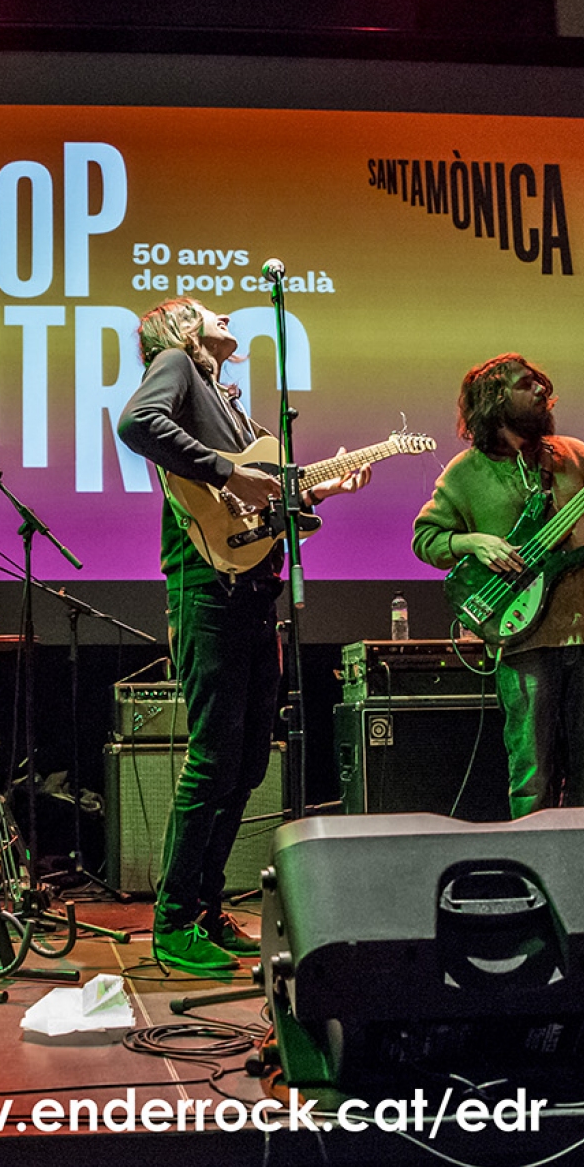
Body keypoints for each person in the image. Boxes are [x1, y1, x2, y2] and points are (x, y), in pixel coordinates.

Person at [117, 297, 369, 975]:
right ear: (183, 330)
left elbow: (259, 504)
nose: (224, 314)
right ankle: (173, 921)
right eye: (208, 310)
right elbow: (136, 423)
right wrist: (229, 471)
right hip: (209, 589)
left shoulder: (230, 404)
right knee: (212, 759)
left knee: (248, 761)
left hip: (254, 590)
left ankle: (205, 906)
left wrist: (322, 489)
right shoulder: (176, 365)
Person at [411, 353, 584, 818]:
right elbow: (425, 539)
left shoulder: (575, 455)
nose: (541, 390)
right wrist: (474, 542)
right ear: (495, 399)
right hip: (523, 639)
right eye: (526, 383)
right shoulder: (465, 473)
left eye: (540, 381)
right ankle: (535, 857)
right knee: (532, 774)